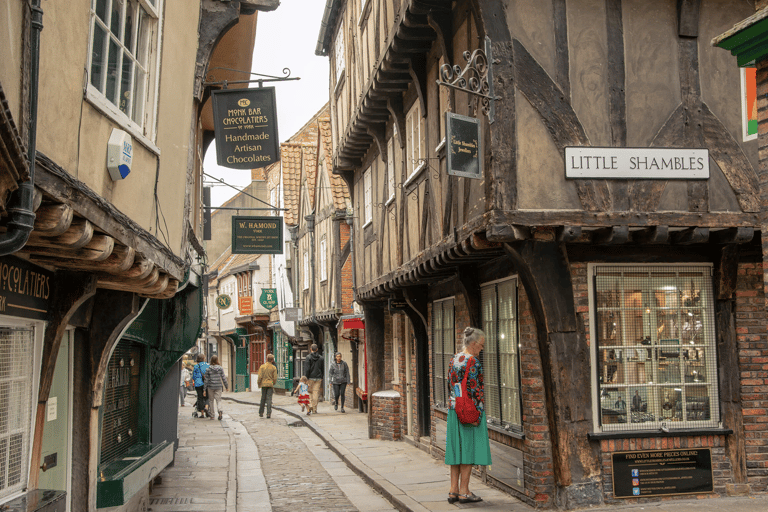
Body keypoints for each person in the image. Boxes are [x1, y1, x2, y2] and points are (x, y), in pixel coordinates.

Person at [445, 327, 491, 505]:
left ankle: (453, 490)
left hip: (453, 409)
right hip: (469, 412)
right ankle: (464, 491)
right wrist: (479, 414)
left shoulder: (454, 359)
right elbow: (475, 390)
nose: (481, 348)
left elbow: (451, 384)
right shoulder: (474, 362)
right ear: (473, 343)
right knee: (468, 450)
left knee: (456, 450)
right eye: (481, 345)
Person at [204, 355, 229, 420]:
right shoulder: (220, 368)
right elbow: (223, 378)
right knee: (218, 400)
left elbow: (206, 380)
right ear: (217, 360)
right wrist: (226, 386)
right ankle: (220, 412)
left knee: (211, 401)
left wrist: (204, 389)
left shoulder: (208, 369)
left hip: (210, 386)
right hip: (218, 386)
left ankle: (212, 415)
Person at [304, 344, 324, 415]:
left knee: (310, 392)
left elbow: (307, 369)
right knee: (316, 393)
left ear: (310, 349)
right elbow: (322, 368)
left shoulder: (308, 357)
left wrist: (306, 378)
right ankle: (315, 409)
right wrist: (322, 377)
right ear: (317, 349)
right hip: (318, 378)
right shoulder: (321, 358)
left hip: (310, 378)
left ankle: (311, 406)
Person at [257, 354, 277, 418]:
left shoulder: (262, 367)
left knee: (263, 398)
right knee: (269, 399)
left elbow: (260, 376)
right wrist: (273, 383)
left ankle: (261, 412)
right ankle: (268, 413)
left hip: (264, 384)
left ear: (266, 359)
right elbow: (275, 378)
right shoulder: (273, 368)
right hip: (270, 384)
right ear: (272, 360)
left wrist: (259, 383)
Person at [193, 354, 210, 418]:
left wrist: (196, 380)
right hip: (206, 383)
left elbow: (194, 376)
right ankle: (206, 407)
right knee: (207, 397)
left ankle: (202, 414)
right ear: (203, 359)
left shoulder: (196, 366)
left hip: (198, 384)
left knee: (200, 398)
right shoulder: (208, 365)